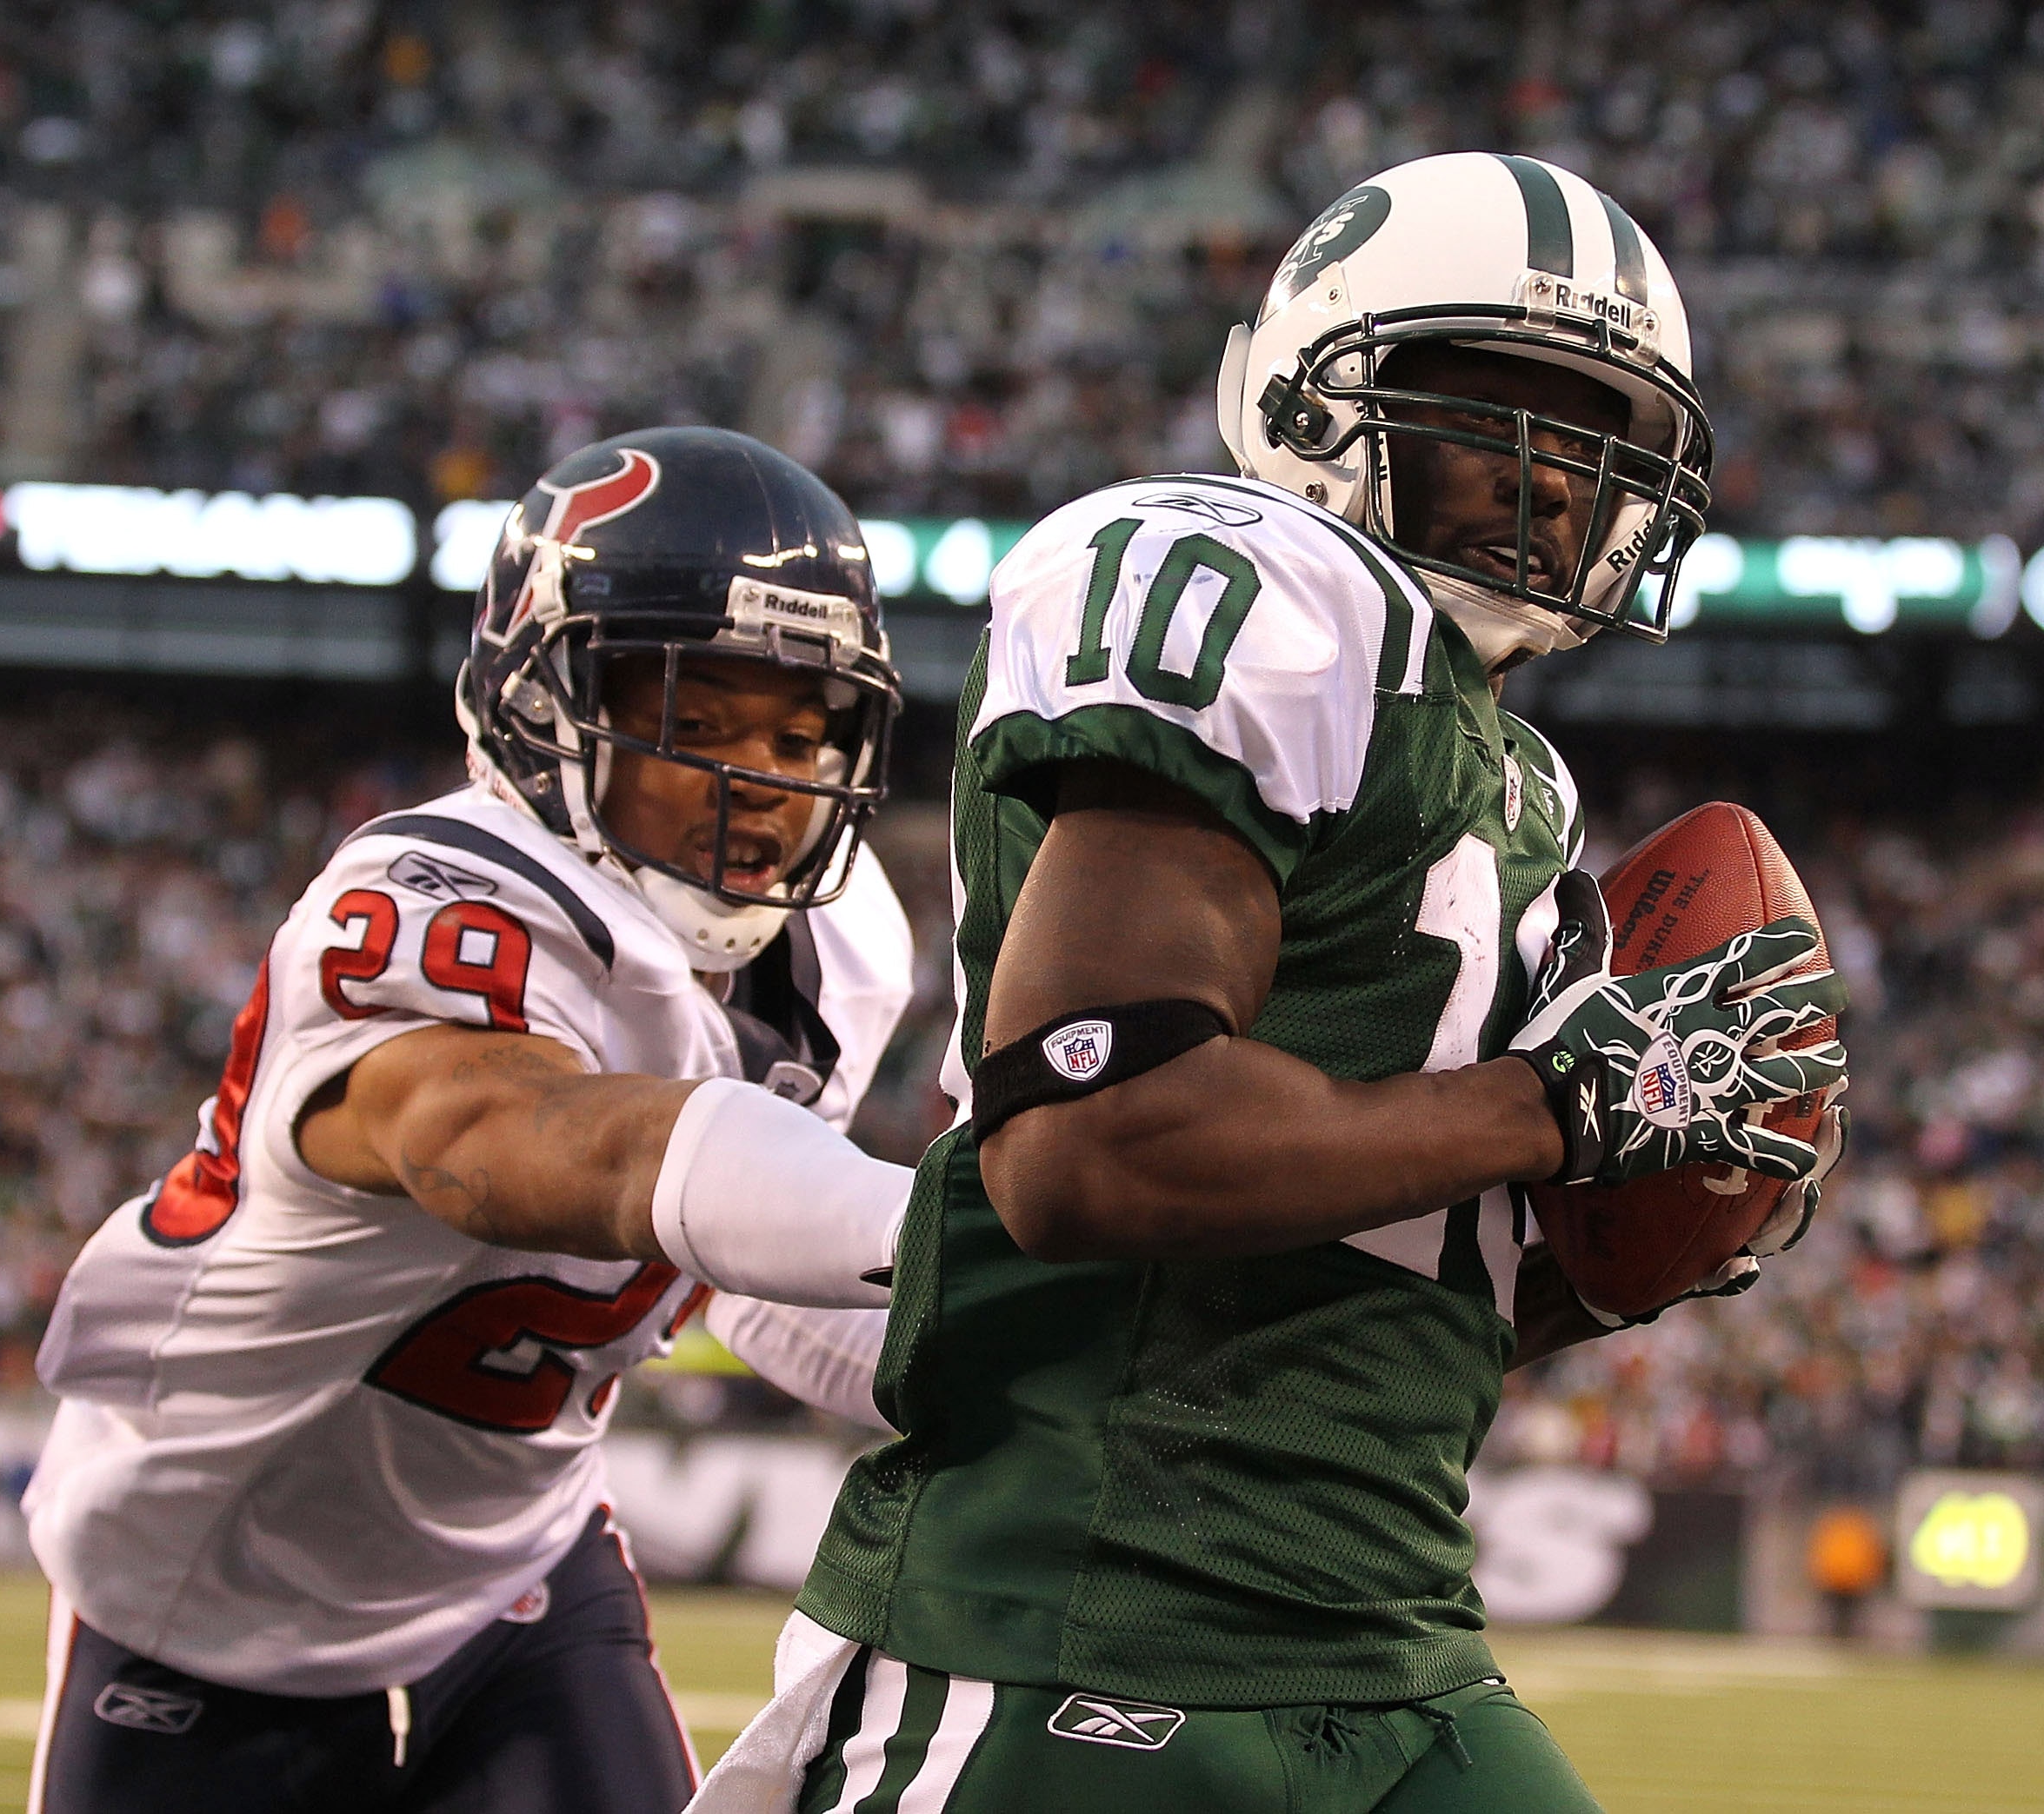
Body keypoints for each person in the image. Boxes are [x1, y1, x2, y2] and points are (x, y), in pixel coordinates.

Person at [693, 153, 1848, 1814]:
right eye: (1486, 411)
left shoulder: (1514, 789)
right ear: (1317, 403)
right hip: (1079, 1620)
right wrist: (1559, 1102)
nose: (1547, 483)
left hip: (1388, 1633)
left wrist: (1599, 1256)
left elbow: (1362, 1283)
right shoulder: (1254, 588)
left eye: (1596, 446)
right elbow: (1092, 1147)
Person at [23, 428, 919, 1814]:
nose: (766, 781)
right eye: (700, 723)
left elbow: (747, 1266)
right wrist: (952, 1226)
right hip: (209, 1588)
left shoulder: (840, 951)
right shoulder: (435, 894)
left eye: (803, 733)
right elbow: (499, 1147)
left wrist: (1000, 1336)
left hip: (515, 1570)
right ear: (546, 705)